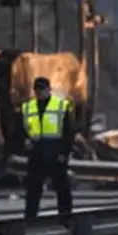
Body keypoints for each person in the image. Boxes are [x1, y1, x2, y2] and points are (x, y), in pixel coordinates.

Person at [20, 77, 75, 224]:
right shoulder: (28, 108)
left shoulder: (60, 106)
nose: (40, 93)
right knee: (33, 190)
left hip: (56, 154)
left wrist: (65, 153)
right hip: (37, 154)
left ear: (49, 89)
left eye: (42, 89)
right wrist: (25, 142)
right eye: (37, 90)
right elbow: (21, 130)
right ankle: (30, 219)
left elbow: (69, 133)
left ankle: (65, 218)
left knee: (62, 189)